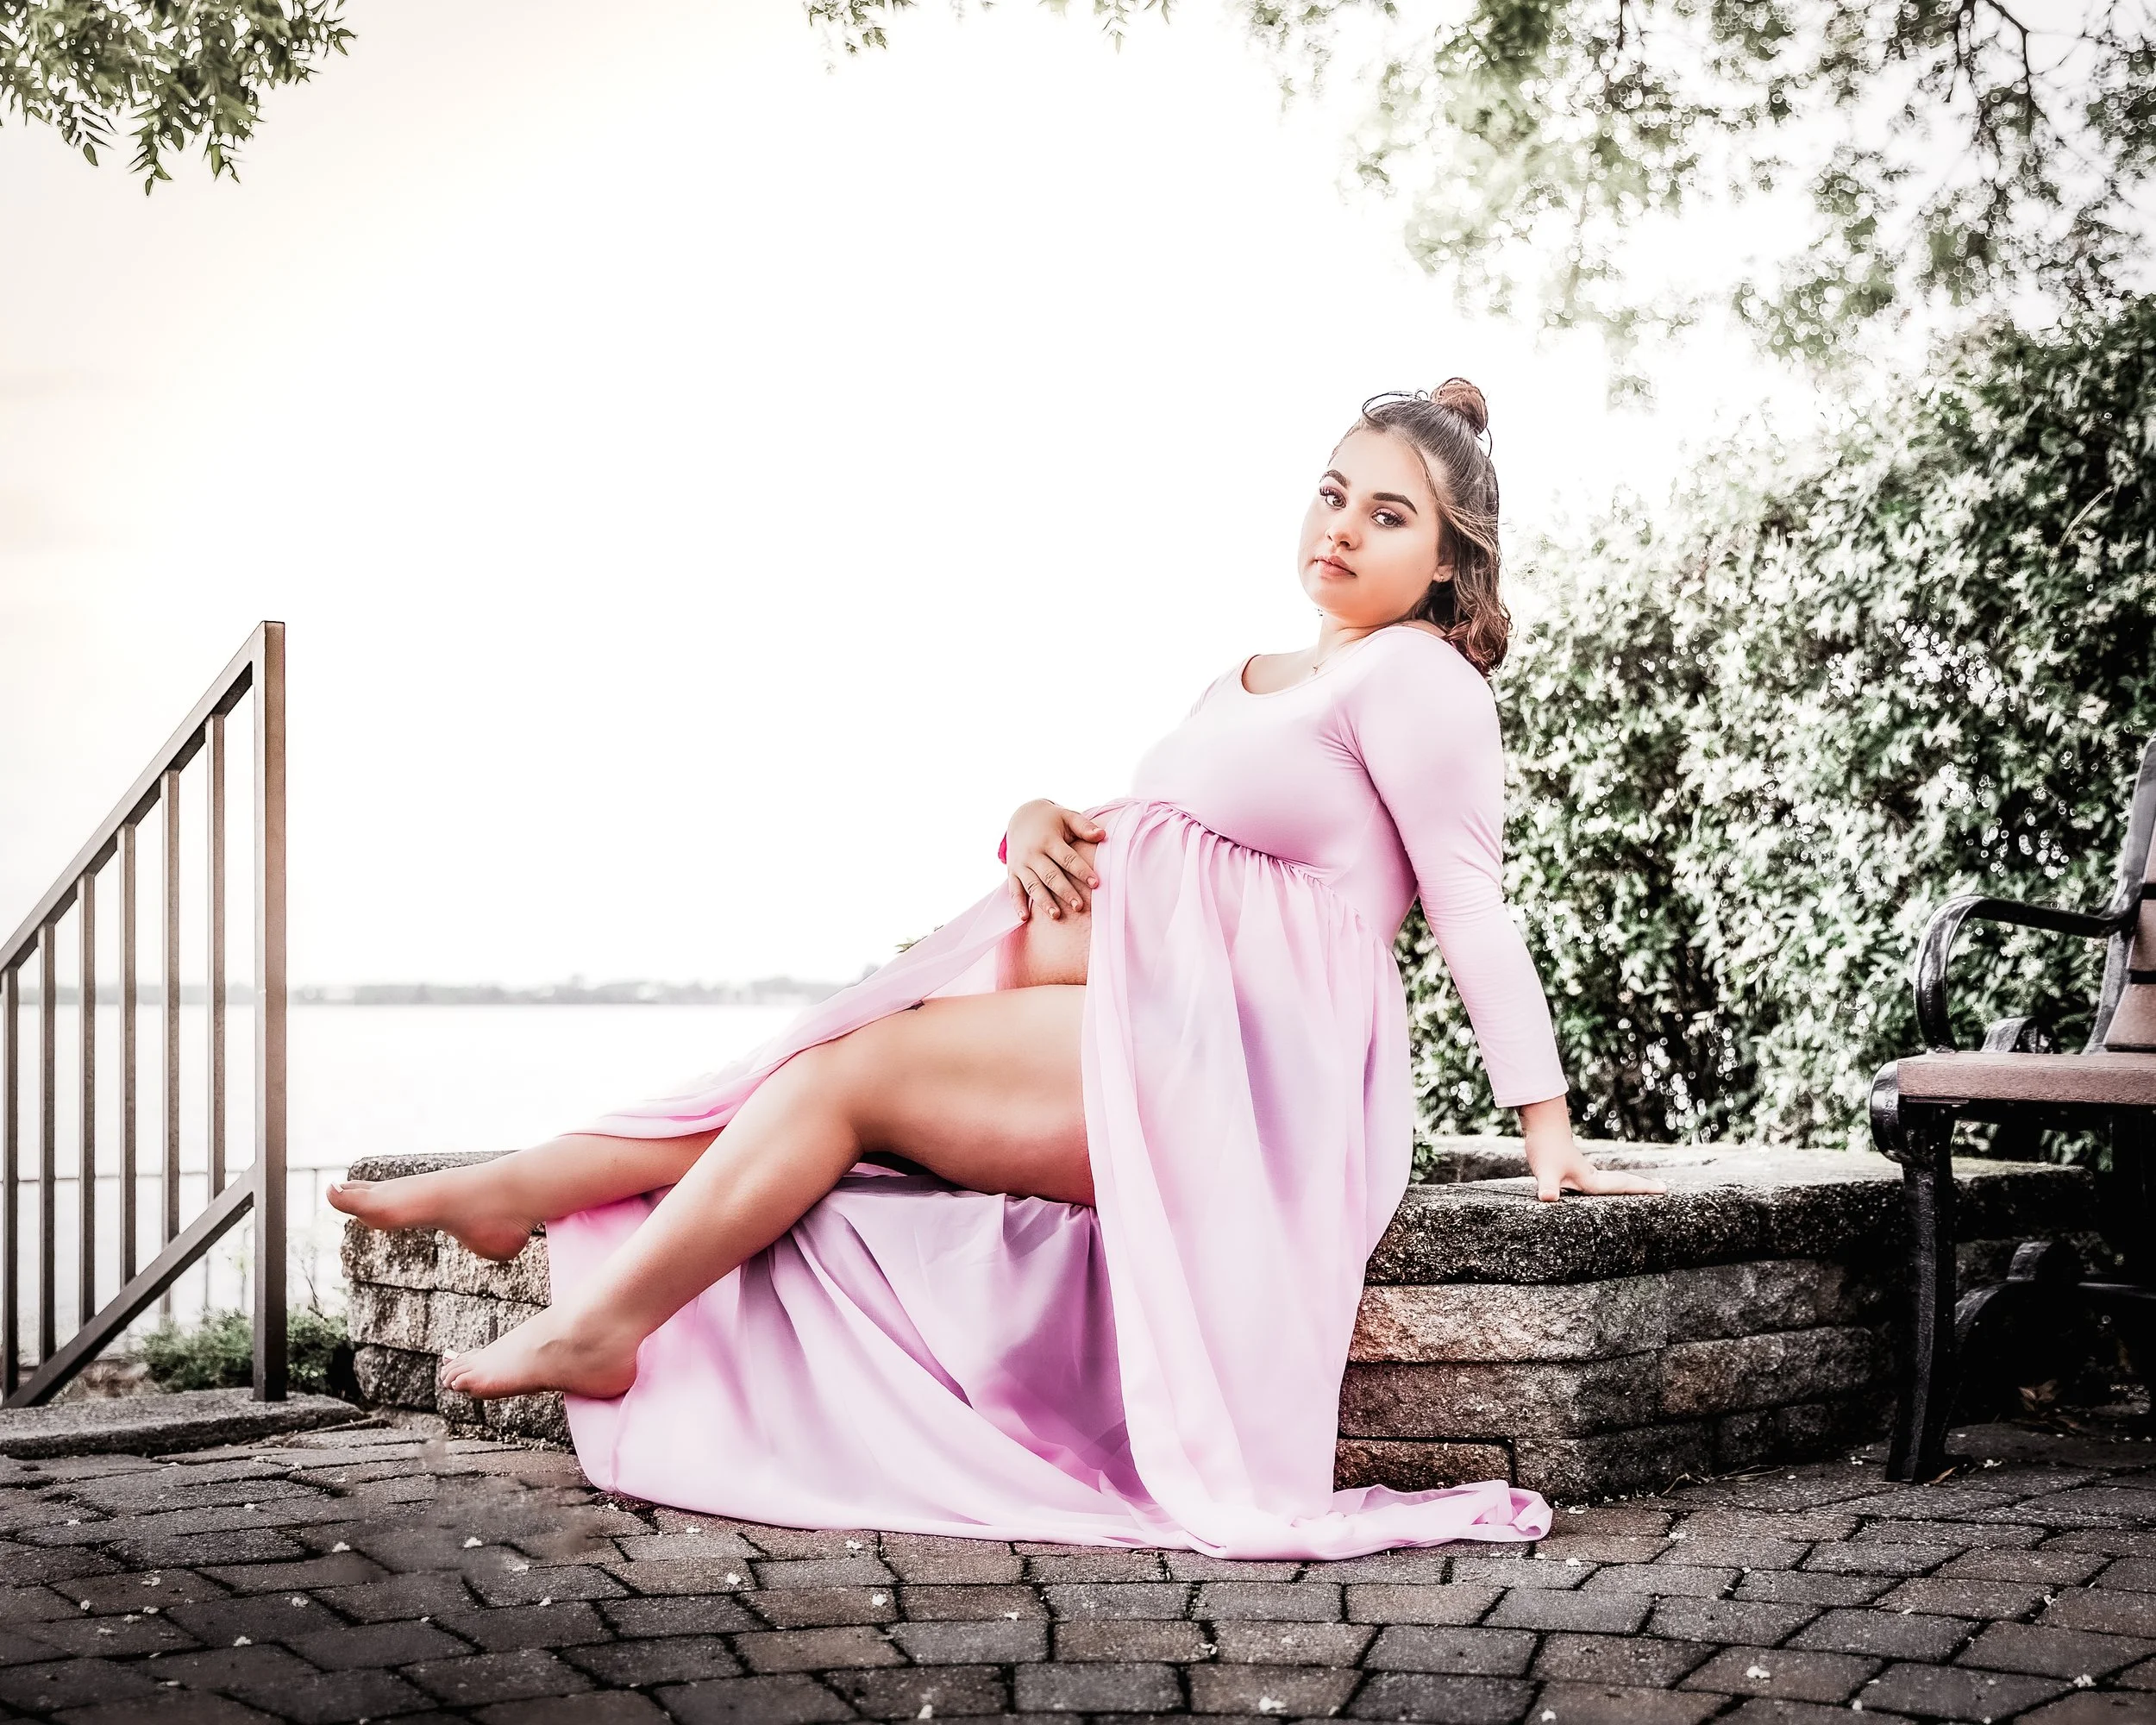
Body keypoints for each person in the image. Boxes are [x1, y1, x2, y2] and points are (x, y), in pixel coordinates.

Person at [330, 378, 1665, 1559]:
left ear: (1446, 563)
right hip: (1145, 1010)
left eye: (1388, 517)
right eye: (1333, 495)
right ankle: (530, 1192)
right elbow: (1149, 832)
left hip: (1245, 1071)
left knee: (853, 1080)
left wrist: (1544, 1127)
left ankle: (594, 1312)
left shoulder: (1421, 679)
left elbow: (1471, 909)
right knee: (834, 1066)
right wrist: (1034, 816)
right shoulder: (1248, 677)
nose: (1341, 529)